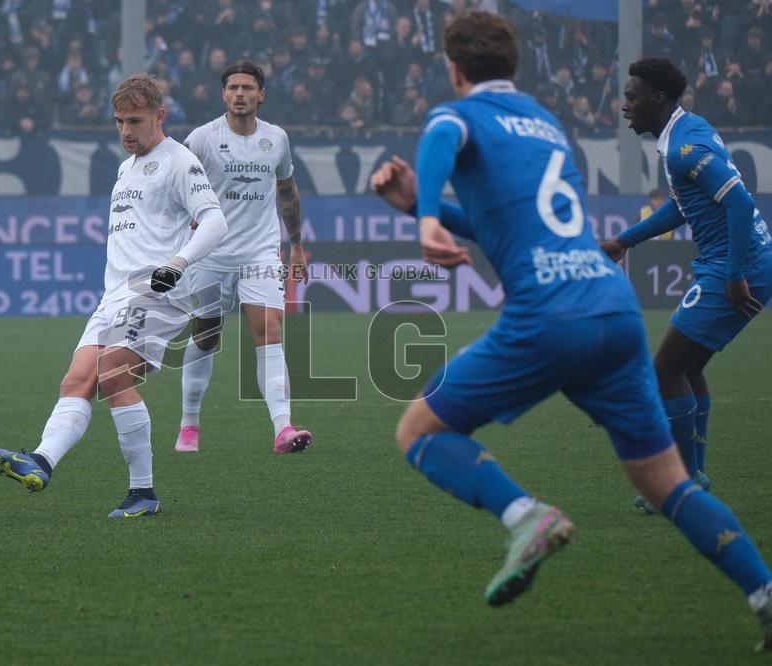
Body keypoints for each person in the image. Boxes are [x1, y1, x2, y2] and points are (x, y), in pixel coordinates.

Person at [370, 12, 772, 650]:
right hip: (612, 309)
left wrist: (423, 220)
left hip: (550, 314)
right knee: (665, 481)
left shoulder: (458, 116)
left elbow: (442, 134)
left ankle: (526, 516)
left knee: (418, 431)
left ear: (454, 69)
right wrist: (426, 206)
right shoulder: (544, 124)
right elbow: (505, 222)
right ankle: (763, 592)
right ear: (516, 67)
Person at [0, 74, 228, 518]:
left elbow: (214, 221)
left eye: (135, 120)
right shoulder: (126, 167)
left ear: (160, 116)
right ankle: (40, 460)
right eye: (119, 122)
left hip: (156, 293)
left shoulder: (180, 161)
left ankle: (144, 493)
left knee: (114, 373)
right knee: (76, 380)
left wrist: (178, 264)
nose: (126, 131)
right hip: (114, 296)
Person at [600, 57, 772, 513]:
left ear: (658, 99)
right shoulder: (685, 131)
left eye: (631, 98)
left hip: (737, 266)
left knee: (663, 369)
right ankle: (691, 476)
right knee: (686, 367)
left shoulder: (682, 150)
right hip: (737, 261)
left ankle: (678, 483)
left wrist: (734, 275)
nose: (624, 107)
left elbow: (738, 203)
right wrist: (623, 241)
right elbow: (685, 207)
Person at [174, 61, 312, 455]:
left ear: (261, 95)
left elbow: (287, 190)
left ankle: (283, 428)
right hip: (212, 253)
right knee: (206, 334)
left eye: (248, 88)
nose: (240, 93)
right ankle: (189, 422)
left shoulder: (277, 139)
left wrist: (297, 243)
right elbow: (176, 188)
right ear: (223, 95)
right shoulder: (201, 139)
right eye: (233, 87)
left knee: (269, 330)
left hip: (260, 251)